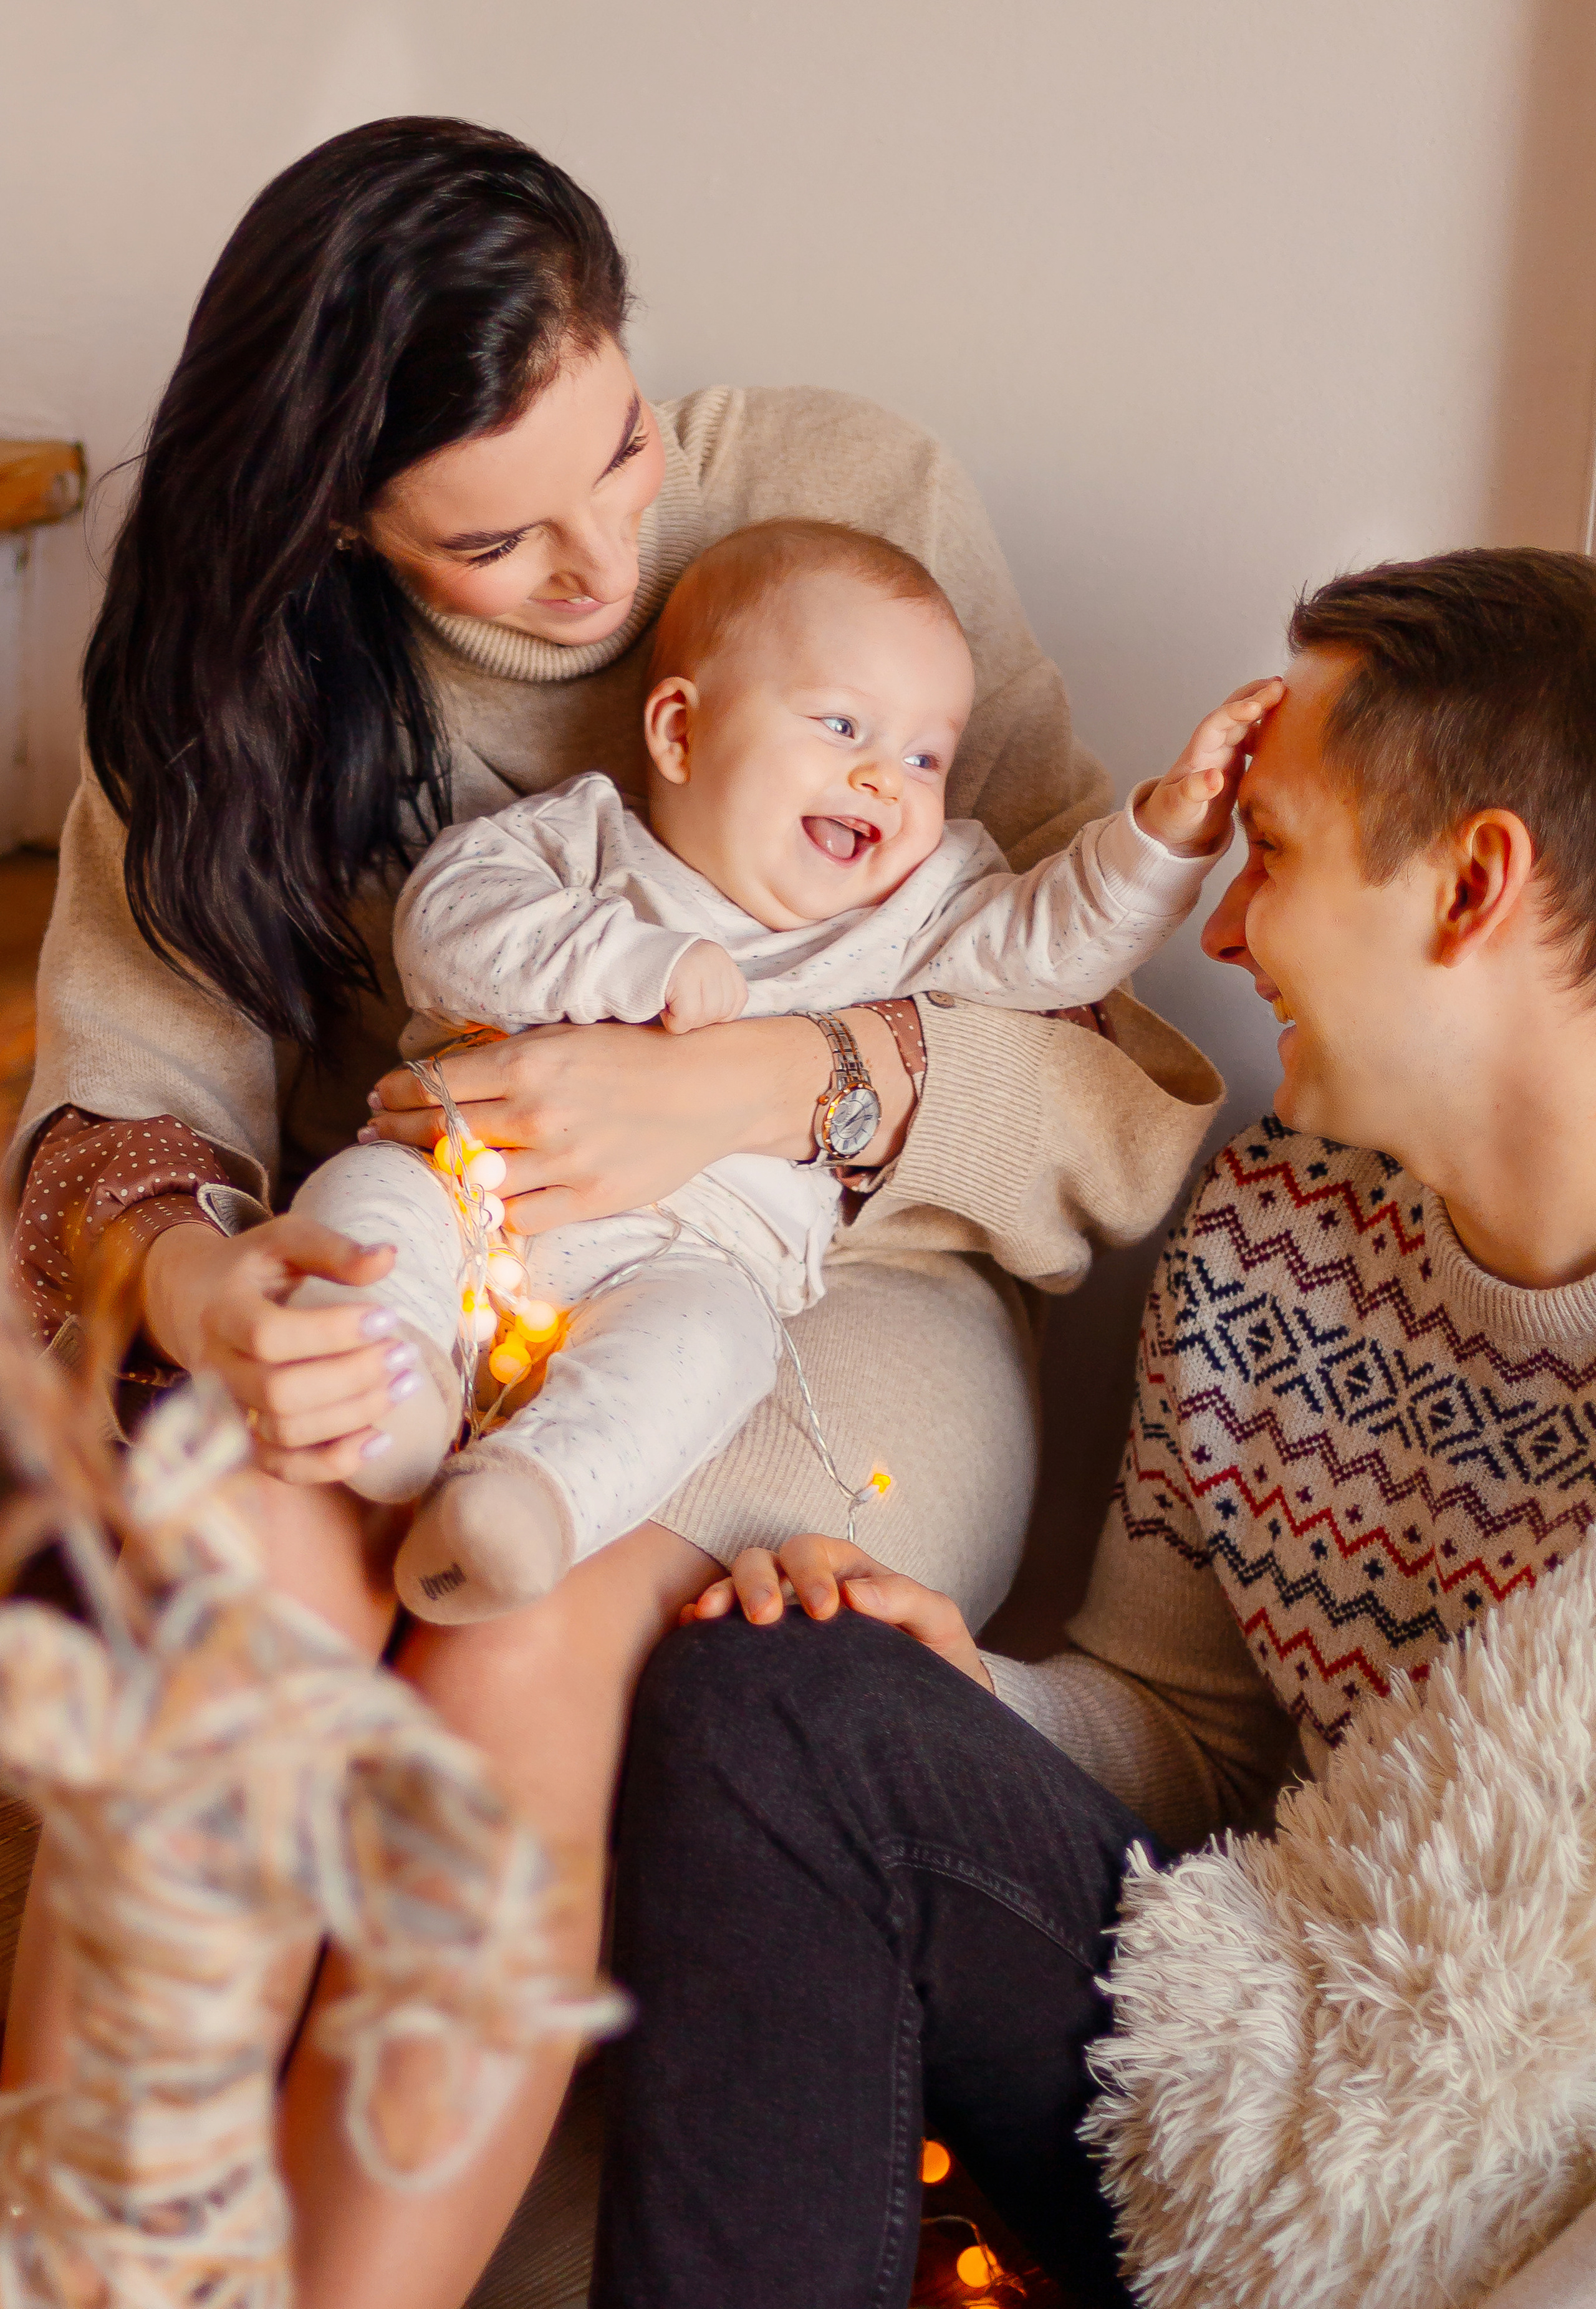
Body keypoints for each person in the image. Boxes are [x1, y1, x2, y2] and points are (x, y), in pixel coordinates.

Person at [2, 117, 1218, 2309]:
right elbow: (123, 1109)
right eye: (495, 542)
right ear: (336, 525)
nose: (602, 560)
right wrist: (201, 1272)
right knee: (251, 1551)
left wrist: (775, 1079)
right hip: (448, 1258)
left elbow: (1115, 1095)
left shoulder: (850, 505)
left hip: (819, 1299)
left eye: (623, 445)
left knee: (524, 1632)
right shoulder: (230, 679)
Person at [590, 547, 1596, 2309]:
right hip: (1265, 2087)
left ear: (1472, 885)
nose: (1216, 934)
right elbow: (1190, 1738)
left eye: (1266, 855)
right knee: (779, 1692)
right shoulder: (1266, 1241)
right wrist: (974, 1691)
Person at [298, 516, 1271, 1624]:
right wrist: (636, 964)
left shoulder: (920, 908)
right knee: (366, 1198)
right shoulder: (587, 843)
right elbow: (448, 929)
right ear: (679, 731)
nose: (883, 778)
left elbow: (1060, 942)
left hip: (692, 1263)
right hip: (472, 1190)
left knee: (717, 1352)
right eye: (842, 724)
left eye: (924, 758)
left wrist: (1170, 829)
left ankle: (529, 1503)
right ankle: (395, 1392)